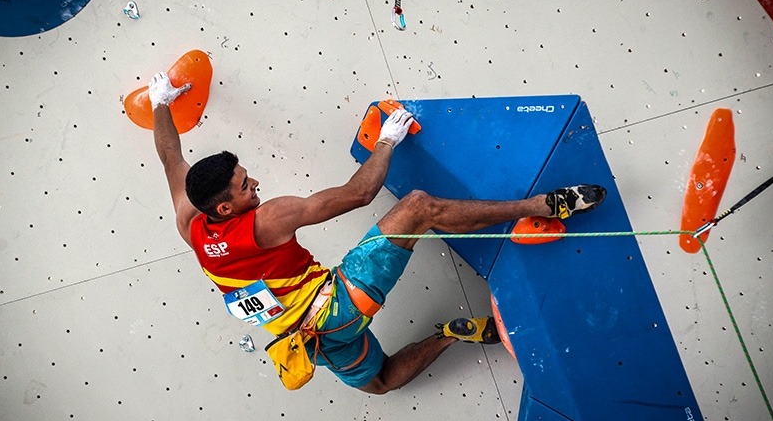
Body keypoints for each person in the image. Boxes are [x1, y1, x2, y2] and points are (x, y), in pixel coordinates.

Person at [148, 72, 607, 394]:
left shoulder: (191, 225)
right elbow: (358, 194)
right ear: (226, 206)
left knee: (381, 382)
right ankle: (543, 205)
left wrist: (160, 104)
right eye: (247, 186)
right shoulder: (267, 219)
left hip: (310, 344)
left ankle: (454, 334)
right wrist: (387, 139)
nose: (256, 185)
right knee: (419, 208)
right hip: (338, 307)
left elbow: (172, 160)